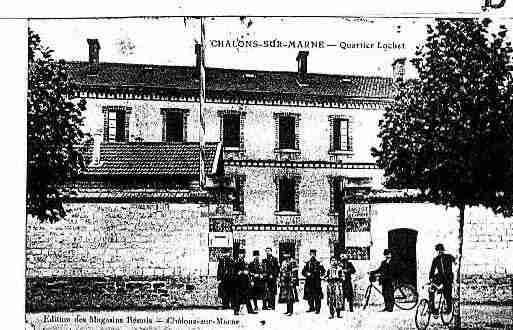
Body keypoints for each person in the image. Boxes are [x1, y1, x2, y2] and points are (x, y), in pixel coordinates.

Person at [428, 243, 456, 314]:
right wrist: (431, 278)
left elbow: (456, 261)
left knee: (447, 294)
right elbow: (432, 270)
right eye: (438, 250)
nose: (440, 252)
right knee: (431, 290)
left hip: (448, 278)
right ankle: (432, 308)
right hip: (440, 277)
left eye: (441, 250)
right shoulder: (436, 259)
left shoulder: (449, 257)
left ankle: (449, 309)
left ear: (443, 250)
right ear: (437, 251)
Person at [232, 249, 257, 315]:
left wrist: (248, 276)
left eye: (242, 254)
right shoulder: (236, 263)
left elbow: (248, 271)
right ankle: (236, 311)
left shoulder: (245, 263)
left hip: (245, 282)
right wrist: (240, 272)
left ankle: (250, 310)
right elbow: (234, 272)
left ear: (244, 255)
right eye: (240, 254)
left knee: (247, 297)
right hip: (238, 282)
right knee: (237, 297)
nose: (241, 255)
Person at [302, 249, 326, 314]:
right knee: (309, 296)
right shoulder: (307, 263)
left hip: (316, 282)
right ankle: (311, 307)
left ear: (315, 255)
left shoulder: (318, 263)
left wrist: (320, 275)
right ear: (310, 255)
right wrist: (307, 273)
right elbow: (303, 271)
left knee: (317, 296)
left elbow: (323, 271)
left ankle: (317, 309)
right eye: (311, 254)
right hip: (309, 282)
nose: (312, 255)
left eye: (313, 254)